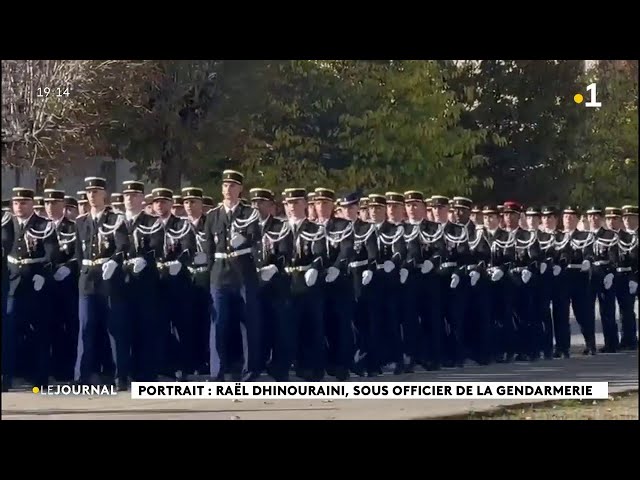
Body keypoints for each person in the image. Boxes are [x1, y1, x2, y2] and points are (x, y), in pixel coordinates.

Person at [204, 170, 262, 382]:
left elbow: (256, 237)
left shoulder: (250, 213)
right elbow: (208, 247)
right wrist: (210, 273)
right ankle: (217, 371)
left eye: (233, 186)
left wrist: (244, 240)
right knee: (218, 323)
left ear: (240, 190)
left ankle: (250, 370)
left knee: (248, 323)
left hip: (243, 272)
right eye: (225, 186)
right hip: (220, 273)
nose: (228, 189)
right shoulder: (212, 215)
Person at [74, 177, 130, 389]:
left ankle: (119, 375)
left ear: (104, 194)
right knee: (86, 327)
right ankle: (84, 374)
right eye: (89, 192)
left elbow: (123, 246)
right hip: (88, 278)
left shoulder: (115, 219)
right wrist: (84, 270)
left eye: (96, 191)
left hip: (108, 279)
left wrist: (114, 262)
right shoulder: (81, 221)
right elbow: (79, 253)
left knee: (114, 329)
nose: (92, 195)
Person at [2, 187, 58, 391]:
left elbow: (53, 255)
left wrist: (43, 275)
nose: (19, 207)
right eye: (16, 203)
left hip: (35, 283)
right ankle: (6, 377)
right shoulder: (8, 224)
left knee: (39, 332)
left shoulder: (44, 225)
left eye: (23, 203)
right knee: (8, 333)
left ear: (32, 204)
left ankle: (40, 377)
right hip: (12, 283)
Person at [151, 187, 197, 380]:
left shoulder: (181, 224)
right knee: (159, 326)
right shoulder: (149, 224)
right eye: (156, 202)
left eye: (164, 202)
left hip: (178, 280)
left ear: (171, 204)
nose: (160, 205)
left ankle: (185, 366)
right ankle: (165, 365)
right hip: (156, 279)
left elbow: (188, 248)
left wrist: (180, 262)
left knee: (182, 325)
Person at [121, 181, 164, 382]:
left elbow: (157, 245)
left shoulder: (151, 221)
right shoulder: (118, 221)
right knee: (126, 327)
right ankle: (128, 371)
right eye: (127, 195)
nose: (129, 199)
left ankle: (147, 373)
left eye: (134, 196)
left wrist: (145, 259)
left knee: (146, 327)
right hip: (123, 280)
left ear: (141, 199)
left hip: (146, 280)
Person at [281, 188, 327, 381]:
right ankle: (291, 365)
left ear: (305, 205)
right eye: (289, 203)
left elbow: (320, 253)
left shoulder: (315, 229)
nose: (292, 207)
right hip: (285, 281)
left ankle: (312, 368)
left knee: (311, 326)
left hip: (307, 280)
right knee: (288, 327)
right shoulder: (280, 228)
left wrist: (315, 268)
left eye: (296, 203)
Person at [250, 187, 291, 381]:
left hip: (275, 284)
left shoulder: (280, 226)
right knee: (257, 327)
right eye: (254, 203)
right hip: (252, 283)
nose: (257, 206)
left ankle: (280, 368)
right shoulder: (246, 225)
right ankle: (256, 365)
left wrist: (274, 266)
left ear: (270, 205)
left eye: (261, 202)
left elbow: (285, 252)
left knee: (279, 327)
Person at [314, 187, 355, 381]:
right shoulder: (310, 226)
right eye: (318, 203)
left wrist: (337, 267)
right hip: (317, 282)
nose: (321, 207)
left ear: (332, 206)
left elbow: (346, 249)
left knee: (340, 325)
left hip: (339, 282)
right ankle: (324, 363)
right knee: (320, 324)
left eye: (325, 203)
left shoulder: (343, 225)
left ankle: (341, 365)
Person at [367, 193, 406, 374]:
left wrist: (393, 261)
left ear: (384, 210)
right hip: (370, 281)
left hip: (389, 282)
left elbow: (399, 251)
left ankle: (397, 360)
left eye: (379, 208)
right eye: (372, 208)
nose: (374, 211)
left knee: (392, 322)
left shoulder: (393, 229)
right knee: (373, 323)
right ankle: (375, 362)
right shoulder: (362, 229)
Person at [44, 189, 79, 381]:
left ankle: (67, 370)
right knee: (50, 327)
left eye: (54, 204)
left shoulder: (72, 227)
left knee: (69, 327)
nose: (50, 208)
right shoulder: (40, 226)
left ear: (62, 206)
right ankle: (50, 368)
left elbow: (77, 254)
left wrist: (67, 267)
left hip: (67, 285)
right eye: (47, 204)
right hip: (45, 284)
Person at [555, 206, 596, 356]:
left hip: (579, 276)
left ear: (577, 219)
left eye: (572, 216)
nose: (568, 219)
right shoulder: (557, 237)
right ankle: (562, 347)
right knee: (561, 314)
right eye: (566, 216)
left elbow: (590, 253)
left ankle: (590, 344)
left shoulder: (585, 236)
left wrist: (588, 261)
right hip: (562, 277)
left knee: (583, 312)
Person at [182, 186, 212, 375]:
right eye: (186, 202)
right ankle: (189, 361)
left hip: (205, 276)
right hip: (186, 278)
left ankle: (204, 361)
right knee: (187, 323)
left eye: (193, 201)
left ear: (201, 204)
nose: (189, 206)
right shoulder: (181, 225)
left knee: (205, 322)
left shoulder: (209, 223)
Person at [586, 207, 619, 353]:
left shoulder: (609, 235)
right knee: (587, 311)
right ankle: (590, 345)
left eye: (596, 216)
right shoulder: (584, 236)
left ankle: (611, 343)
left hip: (604, 273)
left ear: (600, 218)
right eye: (591, 216)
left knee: (607, 310)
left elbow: (614, 257)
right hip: (589, 275)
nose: (593, 219)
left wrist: (611, 273)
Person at [617, 205, 638, 349]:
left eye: (630, 217)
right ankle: (628, 339)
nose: (627, 220)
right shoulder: (619, 237)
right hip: (625, 276)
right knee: (626, 310)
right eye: (624, 217)